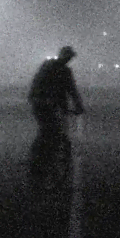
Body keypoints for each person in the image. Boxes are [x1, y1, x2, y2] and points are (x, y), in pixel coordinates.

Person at [28, 46, 84, 181]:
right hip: (43, 102)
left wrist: (77, 105)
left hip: (44, 102)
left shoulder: (55, 68)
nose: (69, 60)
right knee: (49, 128)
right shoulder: (57, 69)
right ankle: (38, 155)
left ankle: (39, 153)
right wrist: (77, 106)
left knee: (48, 129)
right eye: (68, 57)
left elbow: (71, 90)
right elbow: (70, 90)